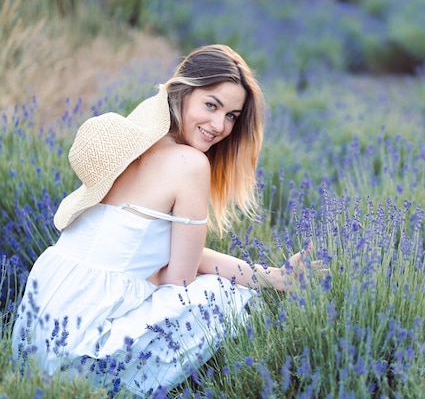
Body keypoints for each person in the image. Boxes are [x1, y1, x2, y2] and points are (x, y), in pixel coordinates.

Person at [11, 44, 311, 396]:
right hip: (83, 350)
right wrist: (261, 280)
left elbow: (175, 255)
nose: (220, 125)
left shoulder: (129, 145)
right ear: (183, 93)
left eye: (232, 115)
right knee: (226, 296)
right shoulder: (190, 164)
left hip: (34, 335)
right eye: (211, 105)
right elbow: (180, 279)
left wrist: (274, 276)